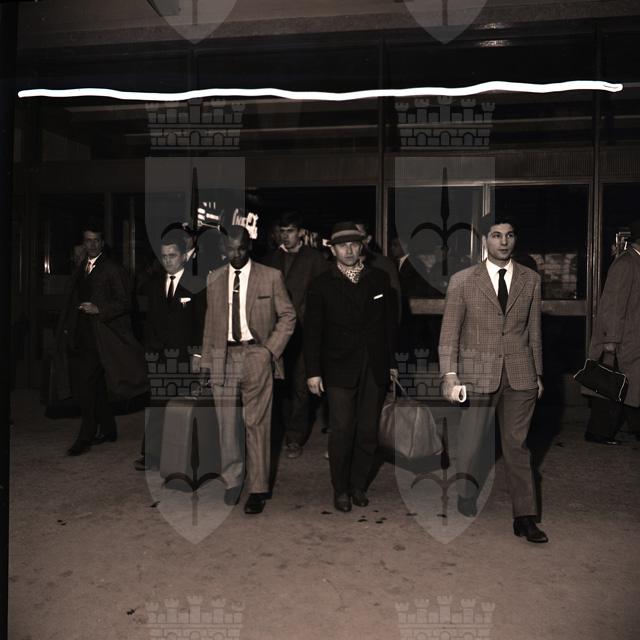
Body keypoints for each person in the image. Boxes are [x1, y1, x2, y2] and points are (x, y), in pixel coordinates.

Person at [438, 217, 547, 543]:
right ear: (484, 241)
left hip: (520, 375)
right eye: (497, 235)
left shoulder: (530, 279)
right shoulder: (463, 281)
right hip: (476, 374)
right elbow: (449, 332)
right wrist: (449, 374)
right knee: (472, 443)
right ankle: (466, 492)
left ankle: (525, 517)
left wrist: (538, 373)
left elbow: (535, 331)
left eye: (509, 235)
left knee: (517, 446)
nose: (504, 241)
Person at [197, 226, 296, 515]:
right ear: (223, 249)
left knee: (257, 424)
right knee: (226, 424)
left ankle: (258, 488)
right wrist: (206, 363)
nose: (236, 254)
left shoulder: (270, 276)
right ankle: (232, 480)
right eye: (230, 249)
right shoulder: (214, 278)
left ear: (249, 246)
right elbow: (210, 323)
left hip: (256, 355)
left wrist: (269, 350)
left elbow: (288, 316)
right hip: (223, 356)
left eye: (241, 248)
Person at [304, 222, 398, 513]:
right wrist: (313, 372)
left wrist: (392, 363)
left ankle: (358, 485)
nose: (348, 250)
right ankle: (340, 489)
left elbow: (390, 326)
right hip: (337, 366)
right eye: (342, 245)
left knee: (368, 430)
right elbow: (312, 332)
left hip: (374, 364)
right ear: (332, 250)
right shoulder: (321, 284)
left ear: (361, 247)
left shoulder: (379, 279)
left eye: (354, 244)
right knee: (342, 429)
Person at [62, 221, 148, 456]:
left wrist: (99, 308)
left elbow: (125, 302)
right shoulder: (82, 266)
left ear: (102, 243)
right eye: (87, 240)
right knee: (96, 385)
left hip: (105, 336)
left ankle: (86, 435)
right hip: (84, 335)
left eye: (96, 241)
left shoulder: (112, 268)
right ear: (83, 242)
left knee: (86, 386)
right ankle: (109, 428)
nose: (91, 245)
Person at [134, 232, 206, 470]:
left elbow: (201, 322)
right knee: (157, 405)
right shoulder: (154, 284)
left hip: (186, 355)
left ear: (184, 256)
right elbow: (151, 321)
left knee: (184, 407)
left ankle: (185, 457)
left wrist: (197, 354)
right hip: (160, 354)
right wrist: (151, 350)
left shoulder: (196, 283)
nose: (167, 260)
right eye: (164, 256)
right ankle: (151, 454)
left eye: (172, 255)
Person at [262, 211, 329, 459]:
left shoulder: (315, 259)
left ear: (300, 233)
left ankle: (294, 438)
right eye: (282, 231)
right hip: (275, 334)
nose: (285, 236)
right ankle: (281, 431)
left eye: (290, 231)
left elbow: (323, 296)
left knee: (301, 385)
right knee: (280, 386)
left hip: (304, 332)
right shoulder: (270, 259)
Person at [584, 218, 640, 444]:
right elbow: (614, 305)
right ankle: (599, 433)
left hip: (630, 338)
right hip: (623, 339)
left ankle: (600, 432)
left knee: (620, 387)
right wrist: (612, 340)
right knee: (613, 385)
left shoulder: (633, 262)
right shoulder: (626, 264)